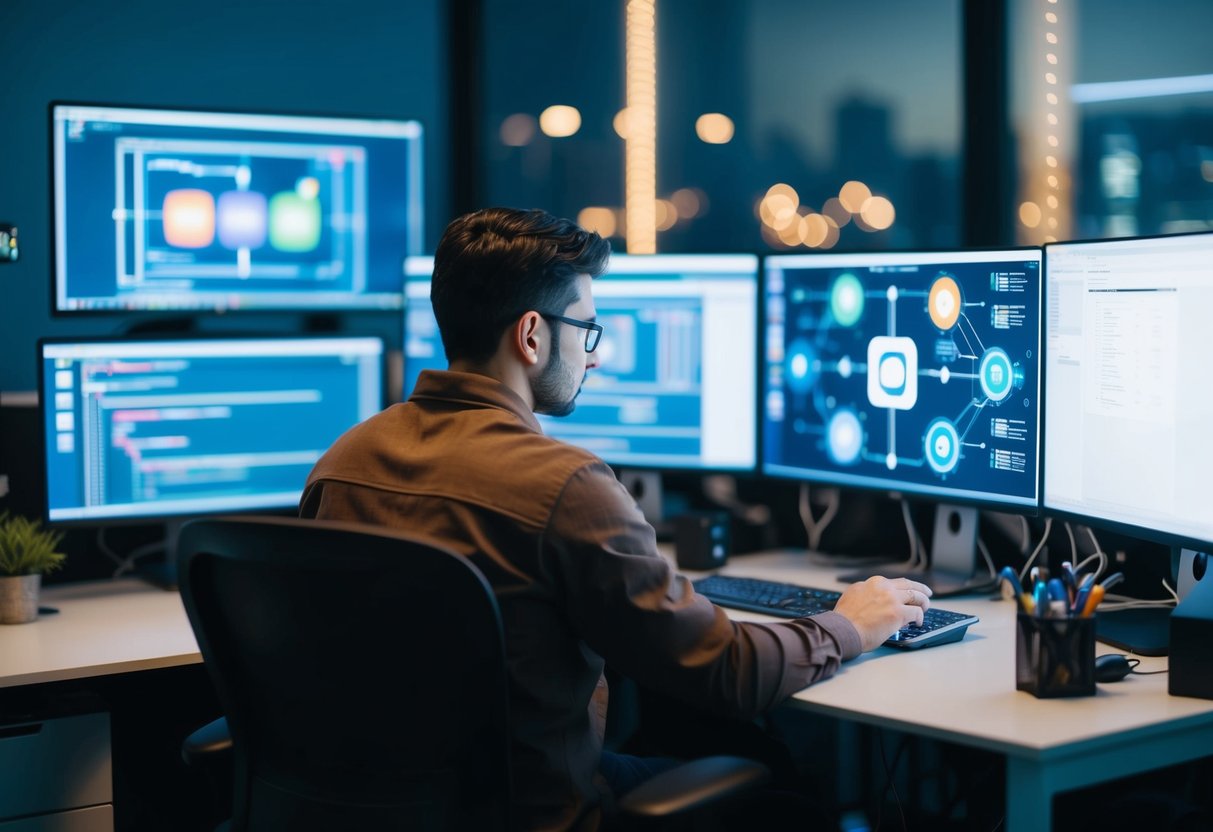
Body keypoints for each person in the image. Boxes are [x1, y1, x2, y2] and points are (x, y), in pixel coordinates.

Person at [299, 207, 932, 831]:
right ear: (531, 335)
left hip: (373, 807)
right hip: (538, 810)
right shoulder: (565, 486)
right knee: (785, 805)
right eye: (587, 330)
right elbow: (730, 674)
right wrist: (847, 625)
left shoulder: (341, 462)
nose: (594, 356)